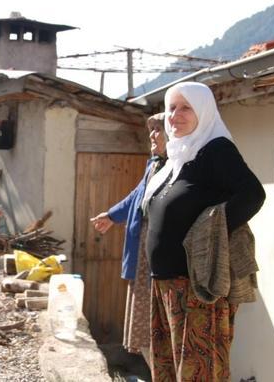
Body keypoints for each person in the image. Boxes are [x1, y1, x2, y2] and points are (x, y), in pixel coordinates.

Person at [142, 82, 265, 381]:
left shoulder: (216, 150)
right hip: (166, 285)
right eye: (171, 108)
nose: (175, 115)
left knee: (200, 373)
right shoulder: (176, 158)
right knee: (169, 370)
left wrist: (209, 233)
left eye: (186, 107)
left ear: (204, 111)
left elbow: (253, 194)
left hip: (195, 288)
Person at [90, 112, 166, 362]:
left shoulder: (177, 167)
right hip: (142, 259)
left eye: (159, 129)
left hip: (159, 261)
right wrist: (112, 215)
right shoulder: (154, 165)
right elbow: (137, 195)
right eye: (151, 130)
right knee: (144, 332)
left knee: (159, 333)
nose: (152, 135)